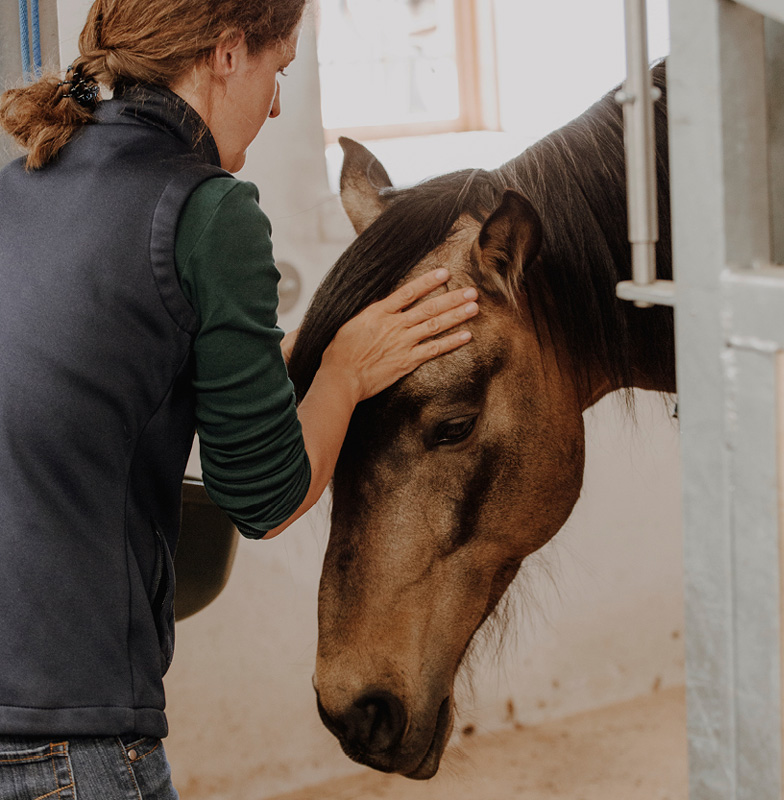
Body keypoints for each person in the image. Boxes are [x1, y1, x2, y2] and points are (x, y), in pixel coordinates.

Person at [0, 1, 479, 797]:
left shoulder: (24, 183)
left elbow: (93, 380)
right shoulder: (207, 207)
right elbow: (264, 497)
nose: (280, 100)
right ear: (227, 53)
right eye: (278, 67)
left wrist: (291, 359)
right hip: (69, 740)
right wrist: (347, 374)